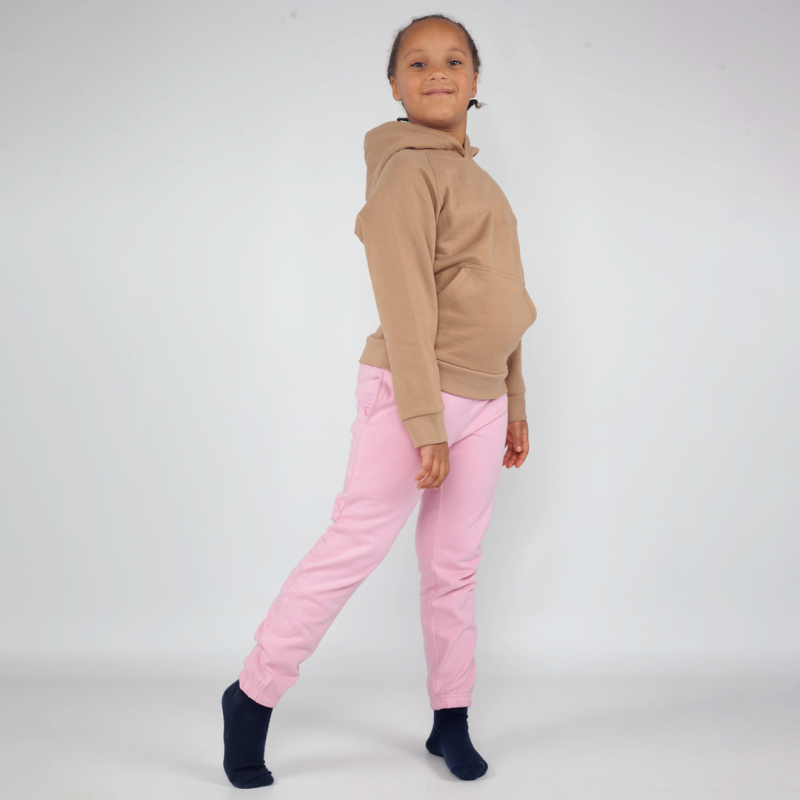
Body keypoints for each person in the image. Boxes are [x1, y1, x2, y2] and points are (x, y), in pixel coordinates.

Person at [221, 12, 537, 787]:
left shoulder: (483, 182)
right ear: (394, 84)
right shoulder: (405, 172)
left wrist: (515, 399)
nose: (438, 72)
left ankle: (450, 718)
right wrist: (424, 420)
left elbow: (503, 297)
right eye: (417, 62)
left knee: (454, 566)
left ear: (476, 81)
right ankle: (252, 696)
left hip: (481, 400)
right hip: (412, 390)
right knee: (354, 545)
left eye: (454, 60)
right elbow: (405, 305)